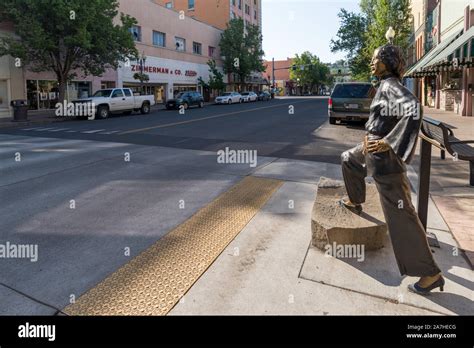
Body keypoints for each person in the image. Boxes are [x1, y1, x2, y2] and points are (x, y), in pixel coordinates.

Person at [340, 43, 444, 295]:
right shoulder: (385, 84)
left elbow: (413, 109)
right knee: (349, 159)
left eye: (375, 59)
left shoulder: (390, 85)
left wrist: (387, 141)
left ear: (386, 62)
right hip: (371, 149)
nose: (371, 63)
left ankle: (430, 273)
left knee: (401, 214)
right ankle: (355, 200)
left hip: (385, 159)